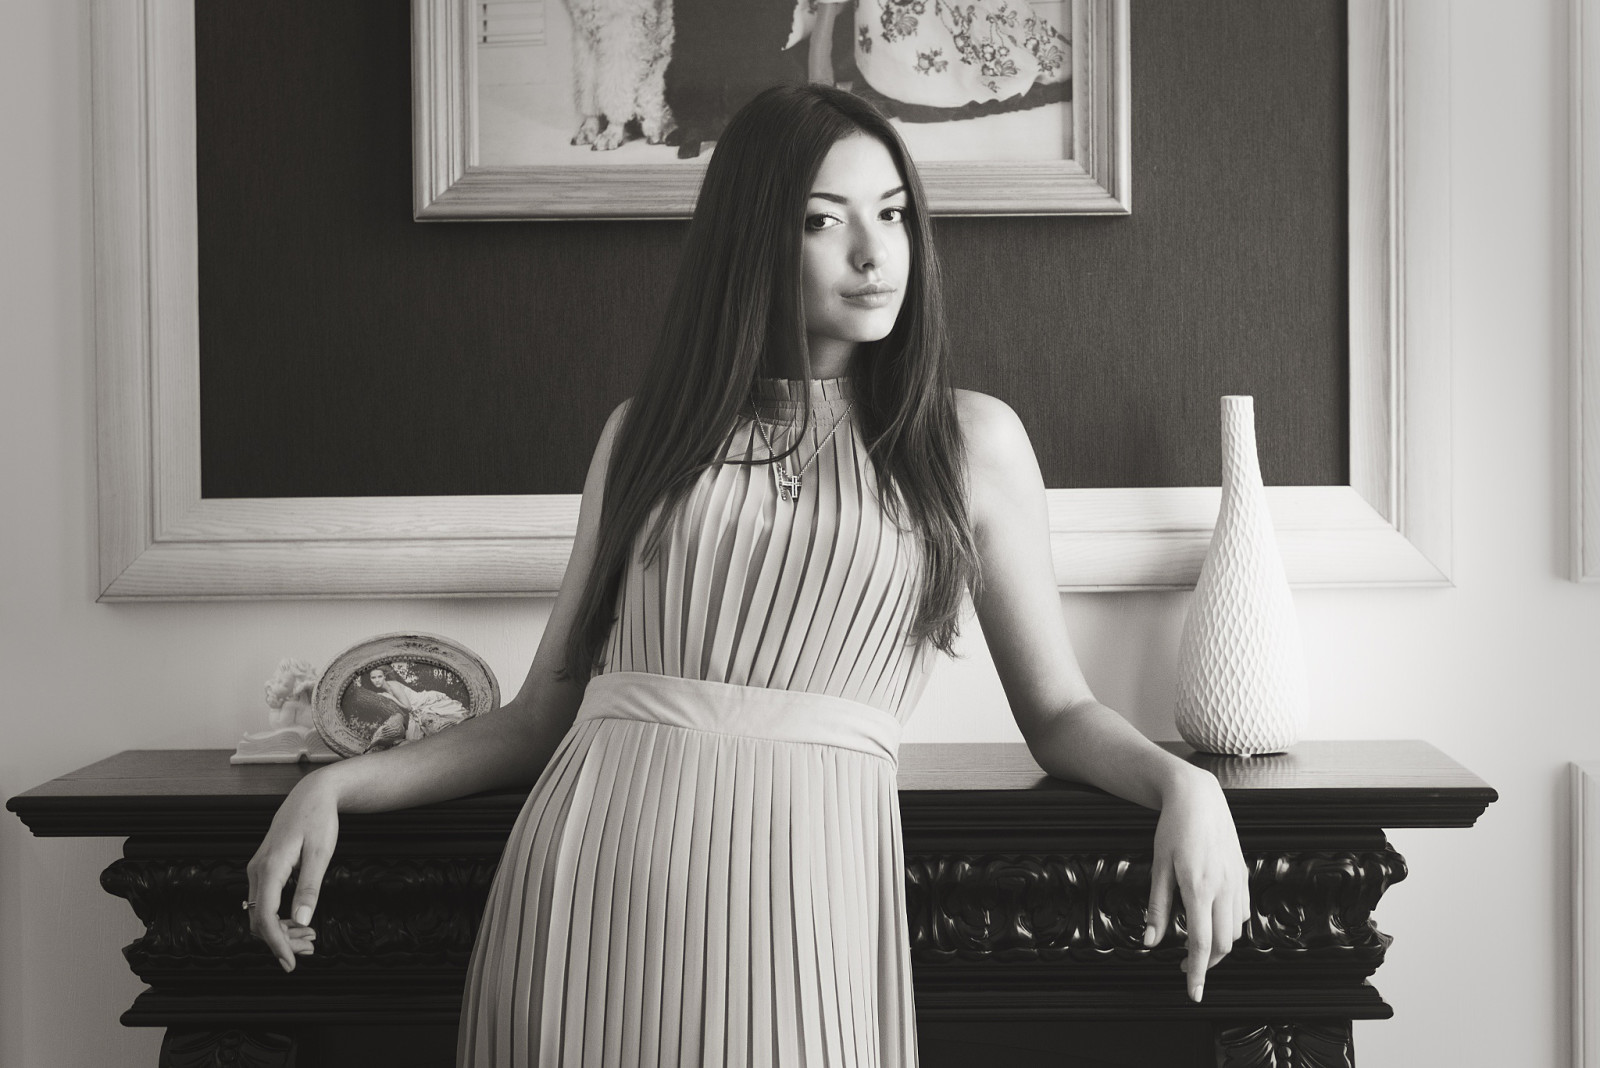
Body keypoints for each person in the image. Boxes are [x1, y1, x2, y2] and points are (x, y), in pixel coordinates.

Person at [245, 84, 1249, 1066]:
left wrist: (1183, 785)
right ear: (755, 238)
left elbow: (1059, 712)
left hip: (806, 889)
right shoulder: (645, 435)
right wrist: (337, 787)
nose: (873, 252)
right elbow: (538, 719)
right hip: (591, 879)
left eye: (892, 215)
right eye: (824, 221)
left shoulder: (967, 442)